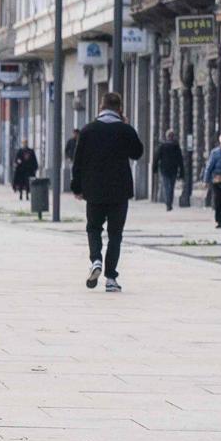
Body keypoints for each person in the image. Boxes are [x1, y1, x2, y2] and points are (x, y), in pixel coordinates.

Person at [69, 90, 143, 293]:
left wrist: (77, 187)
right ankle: (111, 277)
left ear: (101, 107)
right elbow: (138, 153)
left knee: (93, 228)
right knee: (115, 234)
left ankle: (96, 260)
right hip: (119, 190)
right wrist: (127, 127)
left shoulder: (87, 130)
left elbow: (78, 162)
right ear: (120, 109)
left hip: (94, 190)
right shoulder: (125, 130)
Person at [153, 130, 185, 211]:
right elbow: (180, 160)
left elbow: (156, 158)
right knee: (171, 186)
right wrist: (181, 171)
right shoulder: (176, 147)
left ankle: (168, 203)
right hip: (173, 169)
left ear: (167, 137)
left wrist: (155, 168)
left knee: (166, 186)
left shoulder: (162, 146)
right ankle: (169, 202)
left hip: (164, 169)